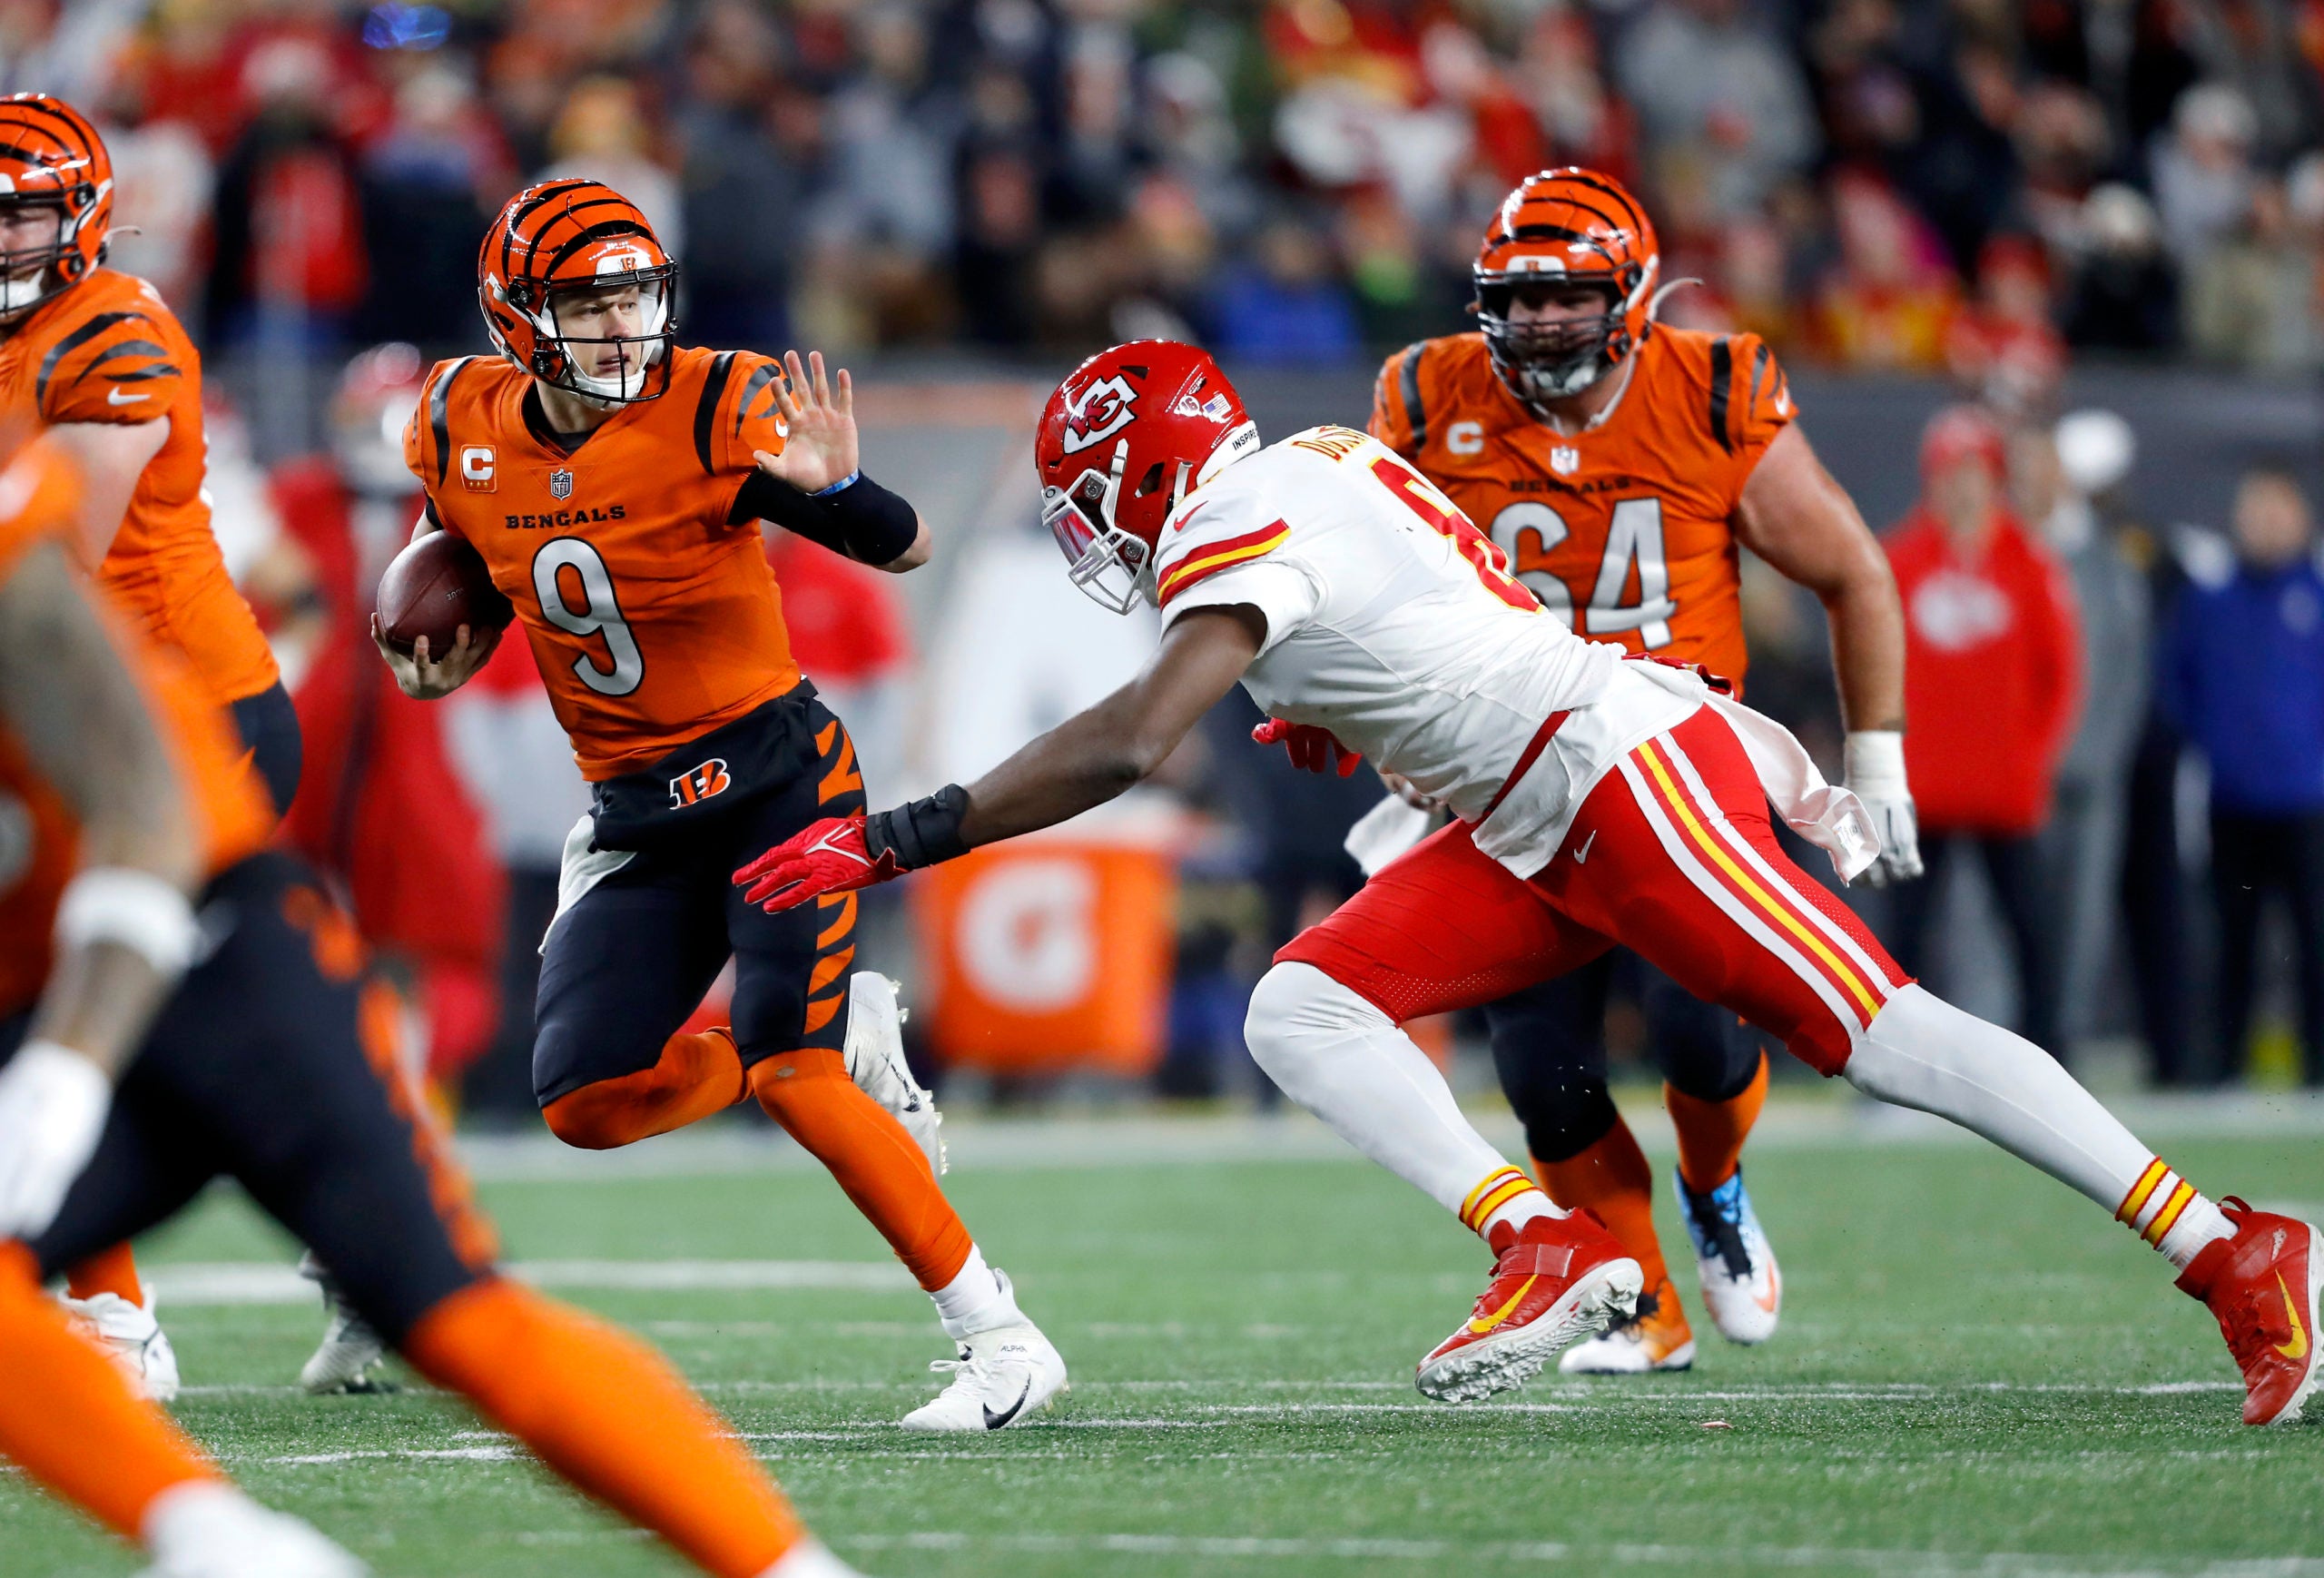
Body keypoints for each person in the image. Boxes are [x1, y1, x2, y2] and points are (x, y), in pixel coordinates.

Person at [734, 338, 2319, 1427]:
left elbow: (1135, 738)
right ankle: (1539, 1239)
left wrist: (898, 832)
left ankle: (2230, 1245)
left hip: (1618, 774)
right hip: (1531, 806)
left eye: (1095, 503)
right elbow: (1436, 602)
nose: (1097, 538)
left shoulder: (1236, 516)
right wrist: (1336, 706)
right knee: (1301, 1006)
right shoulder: (1315, 460)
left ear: (1145, 473)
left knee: (1882, 1034)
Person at [0, 436, 865, 1578]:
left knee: (455, 1320)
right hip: (56, 977)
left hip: (213, 958)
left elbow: (144, 810)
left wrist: (63, 1073)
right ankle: (231, 1548)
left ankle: (791, 1568)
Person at [373, 180, 1064, 1430]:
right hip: (636, 813)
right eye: (589, 304)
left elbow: (903, 542)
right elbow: (471, 541)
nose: (622, 325)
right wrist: (436, 635)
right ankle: (833, 1035)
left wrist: (837, 490)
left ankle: (1002, 1339)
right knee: (585, 1101)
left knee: (797, 1075)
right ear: (516, 317)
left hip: (776, 780)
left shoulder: (711, 404)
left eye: (636, 297)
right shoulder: (453, 419)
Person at [1367, 167, 1916, 1373]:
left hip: (1677, 773)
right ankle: (1648, 1306)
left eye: (1567, 296)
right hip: (1511, 780)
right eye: (1518, 298)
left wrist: (1876, 760)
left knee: (1698, 1033)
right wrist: (1397, 729)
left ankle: (1716, 1187)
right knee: (1543, 1071)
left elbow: (1852, 570)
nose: (1538, 321)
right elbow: (1374, 591)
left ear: (1634, 297)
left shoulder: (1709, 389)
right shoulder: (1424, 395)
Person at [0, 91, 300, 1398]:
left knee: (90, 1007)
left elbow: (54, 545)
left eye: (18, 215)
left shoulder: (114, 329)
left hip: (187, 726)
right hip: (68, 730)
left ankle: (117, 1316)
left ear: (82, 219)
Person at [1883, 406, 2082, 1059]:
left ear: (1995, 479)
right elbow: (1867, 664)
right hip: (1924, 785)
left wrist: (2033, 757)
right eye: (1951, 473)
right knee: (1903, 936)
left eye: (1975, 473)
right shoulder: (1901, 559)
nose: (1963, 488)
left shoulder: (2029, 562)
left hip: (2004, 788)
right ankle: (1895, 1058)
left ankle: (2049, 1055)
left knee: (2034, 928)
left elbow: (2060, 673)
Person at [2167, 467, 2324, 1084]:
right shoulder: (2212, 599)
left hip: (2309, 799)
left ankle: (2317, 1066)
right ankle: (2224, 1065)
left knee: (2315, 939)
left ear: (2301, 519)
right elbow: (2177, 682)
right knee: (2233, 939)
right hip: (2231, 799)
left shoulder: (2315, 595)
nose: (2264, 524)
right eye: (2254, 511)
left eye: (2276, 511)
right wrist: (2215, 744)